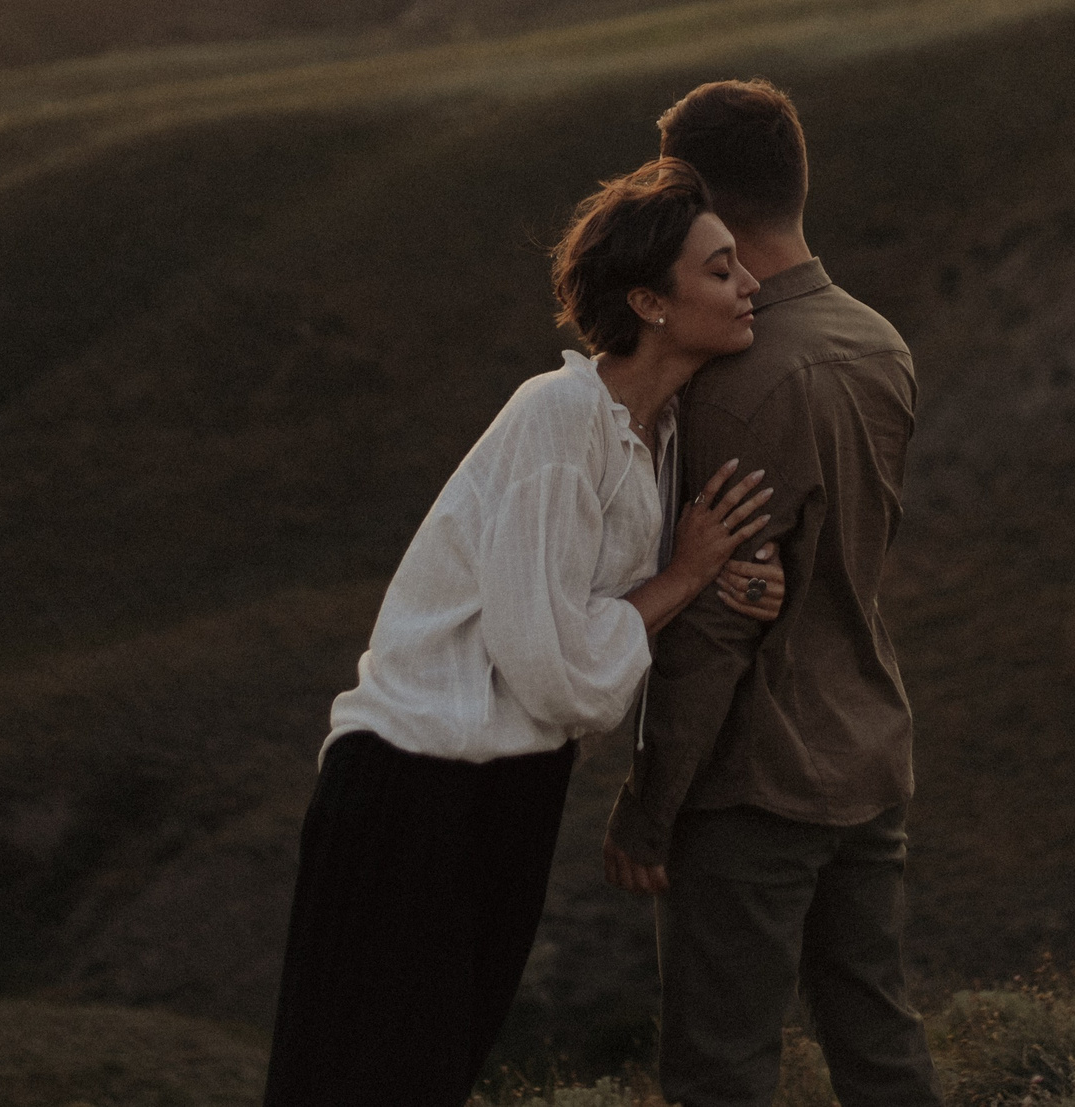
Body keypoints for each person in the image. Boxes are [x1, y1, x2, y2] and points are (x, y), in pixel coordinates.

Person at [262, 156, 790, 1107]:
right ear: (649, 302)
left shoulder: (660, 437)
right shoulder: (559, 419)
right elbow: (552, 670)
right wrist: (684, 576)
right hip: (413, 779)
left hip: (515, 784)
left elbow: (597, 628)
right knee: (361, 1078)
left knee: (438, 1069)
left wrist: (729, 581)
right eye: (720, 270)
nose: (750, 283)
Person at [604, 81, 941, 1107]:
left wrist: (651, 804)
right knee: (878, 1042)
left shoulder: (740, 377)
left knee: (721, 1071)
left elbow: (718, 623)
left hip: (755, 776)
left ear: (699, 198)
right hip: (866, 742)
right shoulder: (879, 340)